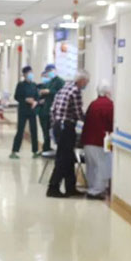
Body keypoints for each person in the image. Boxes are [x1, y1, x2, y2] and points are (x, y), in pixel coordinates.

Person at [46, 69, 90, 198]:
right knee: (63, 158)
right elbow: (78, 113)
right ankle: (53, 188)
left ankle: (70, 187)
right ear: (81, 81)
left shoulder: (64, 88)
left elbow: (52, 109)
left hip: (58, 126)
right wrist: (89, 121)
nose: (86, 85)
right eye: (86, 82)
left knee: (69, 158)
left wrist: (56, 124)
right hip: (66, 127)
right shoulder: (75, 91)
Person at [81, 80, 114, 200]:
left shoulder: (93, 104)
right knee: (103, 166)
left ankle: (92, 188)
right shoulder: (109, 105)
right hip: (102, 141)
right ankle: (97, 190)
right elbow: (112, 123)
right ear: (108, 92)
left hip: (87, 140)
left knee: (91, 166)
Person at [10, 66, 40, 159]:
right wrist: (25, 100)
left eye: (31, 72)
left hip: (32, 110)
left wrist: (35, 102)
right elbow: (16, 96)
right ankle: (14, 151)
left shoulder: (34, 85)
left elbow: (37, 96)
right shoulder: (20, 85)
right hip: (23, 110)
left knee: (34, 130)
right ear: (24, 74)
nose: (30, 74)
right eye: (28, 73)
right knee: (20, 130)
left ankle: (35, 151)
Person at [37, 64, 65, 152]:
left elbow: (62, 93)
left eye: (50, 71)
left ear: (54, 70)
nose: (49, 73)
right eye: (47, 72)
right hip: (46, 109)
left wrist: (50, 91)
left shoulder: (60, 81)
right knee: (46, 131)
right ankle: (46, 148)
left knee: (54, 131)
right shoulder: (50, 82)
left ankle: (53, 149)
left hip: (55, 111)